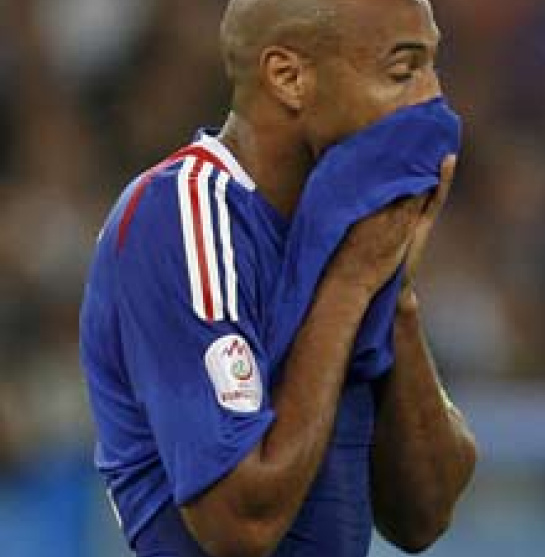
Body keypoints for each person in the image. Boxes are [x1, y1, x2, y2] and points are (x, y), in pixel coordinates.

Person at [78, 0, 478, 556]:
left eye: (433, 65)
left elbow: (424, 515)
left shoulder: (348, 231)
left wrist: (396, 296)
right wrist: (349, 285)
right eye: (402, 70)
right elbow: (240, 524)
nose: (431, 98)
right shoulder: (180, 216)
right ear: (289, 78)